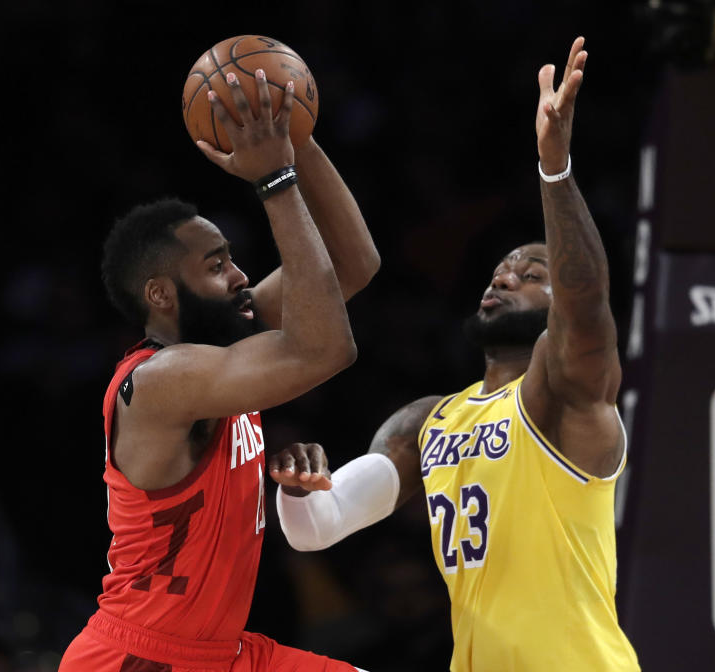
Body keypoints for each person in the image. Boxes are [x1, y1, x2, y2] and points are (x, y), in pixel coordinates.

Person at [271, 38, 641, 671]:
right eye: (500, 269)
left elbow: (586, 304)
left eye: (530, 273)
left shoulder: (565, 398)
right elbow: (320, 528)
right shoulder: (426, 421)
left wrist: (555, 168)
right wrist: (297, 492)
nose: (503, 277)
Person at [59, 70, 378, 672]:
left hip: (221, 653)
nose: (238, 277)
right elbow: (325, 350)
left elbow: (352, 264)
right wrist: (274, 179)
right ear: (161, 292)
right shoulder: (158, 381)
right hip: (140, 656)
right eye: (216, 266)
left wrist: (295, 139)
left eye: (233, 260)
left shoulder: (226, 342)